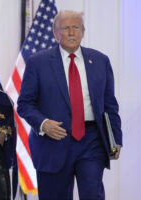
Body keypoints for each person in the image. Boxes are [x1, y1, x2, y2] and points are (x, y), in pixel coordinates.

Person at [17, 10, 122, 200]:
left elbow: (110, 105)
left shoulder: (100, 61)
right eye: (65, 28)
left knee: (92, 194)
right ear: (56, 33)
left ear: (83, 31)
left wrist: (116, 139)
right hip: (53, 141)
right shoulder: (37, 63)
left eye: (76, 27)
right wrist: (43, 123)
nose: (72, 32)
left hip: (91, 141)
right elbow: (24, 104)